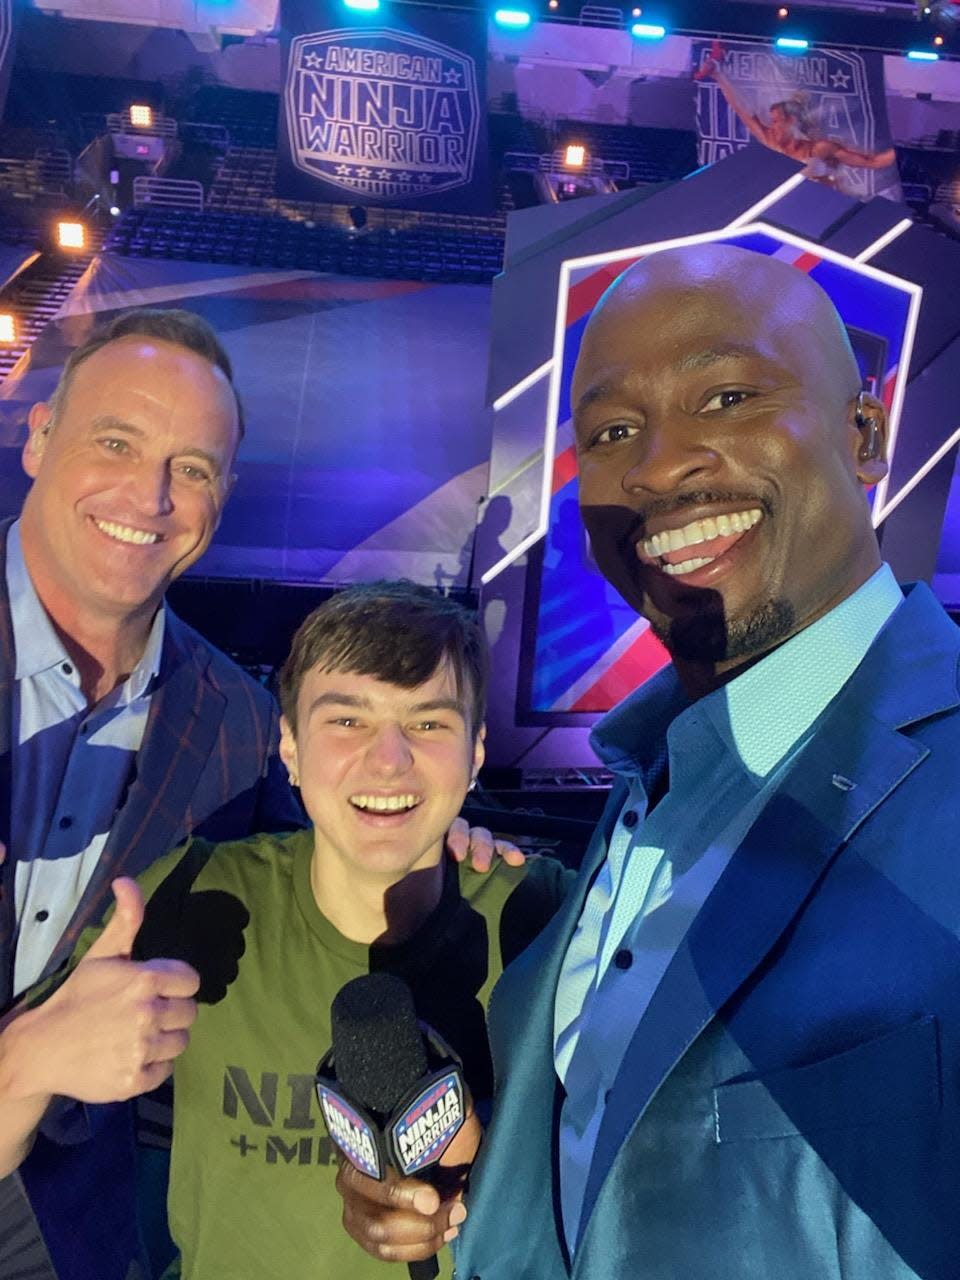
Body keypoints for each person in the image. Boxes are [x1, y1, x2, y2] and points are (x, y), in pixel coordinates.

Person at [335, 243, 960, 1280]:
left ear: (865, 433)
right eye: (613, 431)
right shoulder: (645, 788)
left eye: (726, 394)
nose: (660, 464)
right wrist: (484, 1179)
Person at [0, 310, 517, 1280]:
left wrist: (440, 825)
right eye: (116, 441)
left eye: (192, 467)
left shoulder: (236, 726)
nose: (151, 494)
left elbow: (350, 827)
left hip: (64, 1232)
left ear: (223, 494)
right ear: (36, 436)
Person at [0, 580, 569, 1279]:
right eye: (347, 721)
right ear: (289, 747)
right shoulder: (194, 899)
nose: (388, 760)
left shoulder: (546, 918)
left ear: (476, 751)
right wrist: (25, 1065)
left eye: (427, 723)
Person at [703, 56, 896, 188]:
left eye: (777, 121)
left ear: (791, 122)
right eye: (772, 121)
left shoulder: (820, 149)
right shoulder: (770, 141)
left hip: (818, 210)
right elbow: (741, 109)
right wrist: (718, 76)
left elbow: (872, 162)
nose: (773, 126)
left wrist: (900, 152)